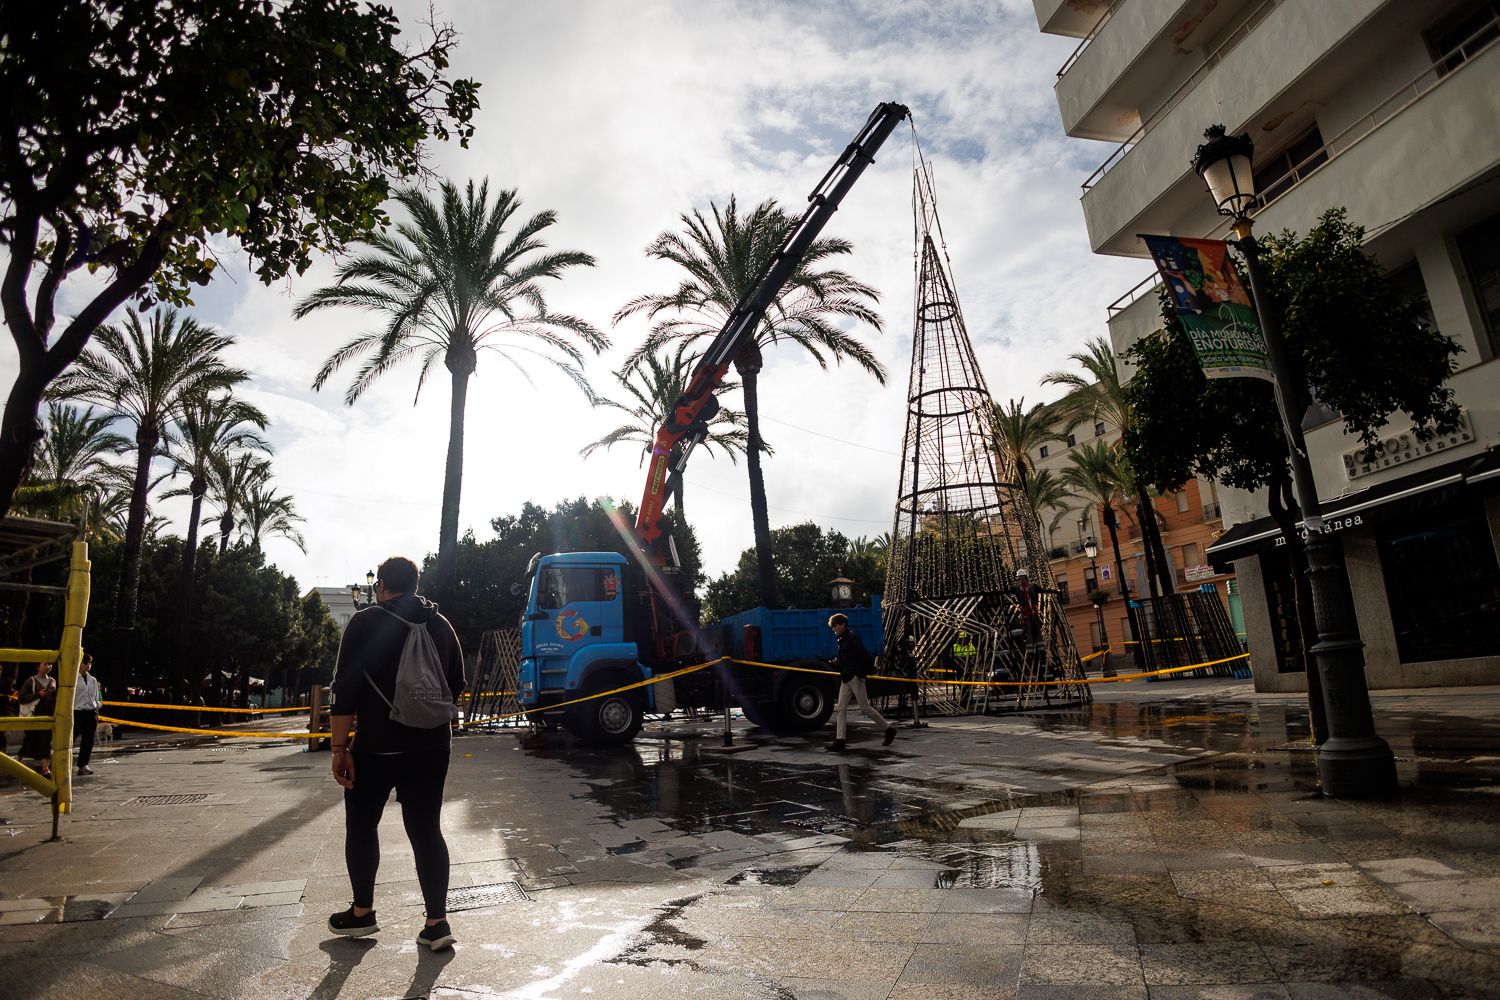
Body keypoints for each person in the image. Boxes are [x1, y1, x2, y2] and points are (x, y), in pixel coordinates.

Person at [327, 556, 466, 950]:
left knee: (362, 825)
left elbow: (345, 690)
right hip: (432, 745)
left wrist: (340, 748)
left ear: (382, 584)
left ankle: (361, 914)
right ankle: (437, 923)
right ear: (416, 584)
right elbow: (455, 686)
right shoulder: (441, 626)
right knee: (426, 830)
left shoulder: (366, 622)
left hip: (377, 746)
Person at [826, 613, 895, 753]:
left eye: (835, 626)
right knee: (841, 709)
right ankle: (840, 740)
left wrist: (858, 674)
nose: (833, 629)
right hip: (846, 678)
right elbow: (850, 658)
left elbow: (863, 656)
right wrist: (837, 663)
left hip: (853, 677)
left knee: (865, 708)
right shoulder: (843, 639)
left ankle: (889, 729)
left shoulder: (852, 637)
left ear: (842, 625)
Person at [18, 662, 57, 778]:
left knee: (46, 741)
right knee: (29, 740)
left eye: (50, 664)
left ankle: (45, 769)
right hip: (33, 716)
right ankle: (18, 762)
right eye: (45, 664)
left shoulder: (52, 681)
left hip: (48, 716)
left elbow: (56, 698)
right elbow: (21, 698)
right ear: (38, 666)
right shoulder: (31, 681)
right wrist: (37, 694)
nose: (48, 666)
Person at [74, 653, 101, 776]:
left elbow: (95, 697)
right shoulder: (73, 679)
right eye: (85, 663)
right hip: (76, 711)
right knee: (70, 739)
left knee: (88, 740)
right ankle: (61, 763)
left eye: (89, 663)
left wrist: (96, 711)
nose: (88, 666)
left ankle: (83, 764)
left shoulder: (93, 680)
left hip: (90, 712)